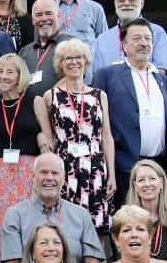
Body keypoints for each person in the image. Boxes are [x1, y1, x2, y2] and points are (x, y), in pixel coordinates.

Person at [36, 39, 114, 235]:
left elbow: (106, 136)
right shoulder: (50, 96)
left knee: (95, 227)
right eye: (67, 58)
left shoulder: (99, 95)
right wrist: (40, 136)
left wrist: (111, 174)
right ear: (60, 64)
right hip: (65, 167)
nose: (73, 62)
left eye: (78, 57)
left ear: (86, 61)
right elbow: (46, 134)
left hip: (95, 167)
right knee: (63, 226)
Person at [94, 20, 167, 189]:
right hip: (123, 169)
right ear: (124, 45)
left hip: (160, 168)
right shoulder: (106, 76)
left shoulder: (166, 83)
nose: (144, 43)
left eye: (148, 39)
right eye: (137, 38)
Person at [0, 152, 105, 263]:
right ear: (33, 177)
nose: (49, 178)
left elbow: (94, 262)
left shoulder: (81, 215)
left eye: (55, 173)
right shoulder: (15, 215)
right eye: (43, 172)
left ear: (63, 179)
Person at [0, 54, 41, 242]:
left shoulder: (35, 101)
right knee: (0, 225)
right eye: (0, 71)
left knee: (29, 224)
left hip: (28, 172)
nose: (4, 76)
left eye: (10, 72)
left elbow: (48, 140)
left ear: (20, 76)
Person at [123, 160, 167, 263]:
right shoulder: (125, 221)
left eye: (152, 178)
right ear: (135, 186)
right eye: (141, 180)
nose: (147, 184)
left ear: (161, 184)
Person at [92, 0, 167, 70]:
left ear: (141, 4)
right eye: (121, 0)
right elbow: (97, 76)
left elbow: (162, 72)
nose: (126, 3)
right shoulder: (101, 40)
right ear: (115, 4)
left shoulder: (157, 32)